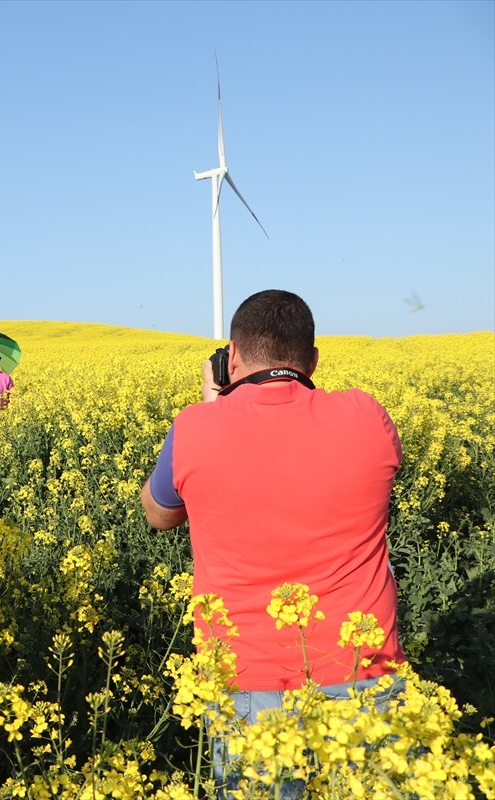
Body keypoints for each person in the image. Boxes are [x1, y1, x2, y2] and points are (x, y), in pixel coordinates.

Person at [139, 289, 405, 792]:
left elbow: (158, 513)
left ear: (231, 356)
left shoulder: (195, 426)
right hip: (364, 668)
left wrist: (213, 409)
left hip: (246, 677)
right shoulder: (368, 414)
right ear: (313, 360)